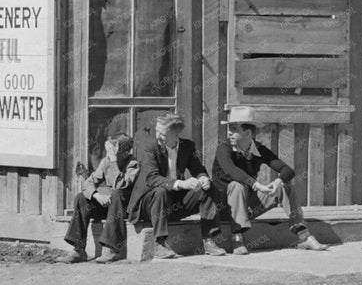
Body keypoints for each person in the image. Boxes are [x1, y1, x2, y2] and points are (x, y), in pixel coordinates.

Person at [211, 106, 326, 254]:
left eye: (234, 129)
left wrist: (278, 182)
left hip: (248, 207)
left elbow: (288, 170)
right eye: (229, 129)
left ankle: (304, 237)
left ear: (248, 133)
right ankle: (237, 239)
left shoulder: (258, 149)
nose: (229, 133)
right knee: (236, 185)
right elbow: (233, 171)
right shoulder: (223, 148)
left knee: (285, 186)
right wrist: (258, 185)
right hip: (224, 209)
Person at [127, 112, 226, 258]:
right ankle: (160, 244)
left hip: (172, 205)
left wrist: (203, 178)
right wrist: (181, 183)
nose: (157, 135)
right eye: (157, 131)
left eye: (162, 133)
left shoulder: (187, 146)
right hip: (147, 204)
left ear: (175, 135)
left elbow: (198, 169)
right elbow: (152, 178)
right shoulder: (150, 148)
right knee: (161, 191)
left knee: (208, 188)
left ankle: (209, 241)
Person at [62, 132, 138, 264]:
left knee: (117, 194)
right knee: (82, 198)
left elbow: (120, 185)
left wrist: (114, 161)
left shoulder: (133, 164)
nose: (110, 154)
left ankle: (112, 249)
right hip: (110, 207)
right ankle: (78, 250)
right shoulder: (106, 162)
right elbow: (88, 183)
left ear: (125, 153)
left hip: (125, 208)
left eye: (114, 151)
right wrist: (97, 195)